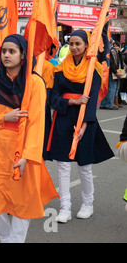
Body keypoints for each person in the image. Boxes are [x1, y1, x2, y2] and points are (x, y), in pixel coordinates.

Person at [0, 34, 58, 243]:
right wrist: (4, 117)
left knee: (23, 202)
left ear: (23, 55)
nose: (6, 55)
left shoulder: (35, 83)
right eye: (3, 51)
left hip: (21, 151)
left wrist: (27, 156)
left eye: (12, 51)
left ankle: (16, 240)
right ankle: (6, 237)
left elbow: (37, 122)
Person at [46, 30, 114, 223]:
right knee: (63, 165)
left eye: (79, 44)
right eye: (72, 43)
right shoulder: (59, 69)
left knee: (84, 165)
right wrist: (73, 102)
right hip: (63, 118)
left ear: (86, 45)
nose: (75, 47)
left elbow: (92, 101)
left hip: (85, 120)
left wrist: (84, 124)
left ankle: (87, 203)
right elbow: (54, 98)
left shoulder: (94, 69)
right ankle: (65, 207)